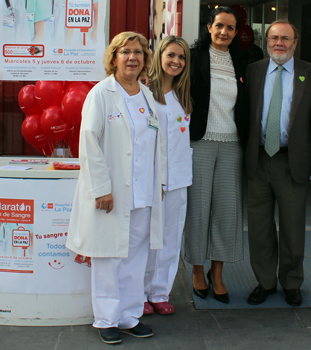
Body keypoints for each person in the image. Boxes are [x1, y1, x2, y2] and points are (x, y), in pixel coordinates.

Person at [65, 31, 165, 345]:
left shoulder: (147, 96)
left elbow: (156, 144)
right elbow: (89, 143)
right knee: (108, 258)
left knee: (136, 258)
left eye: (138, 52)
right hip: (112, 194)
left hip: (143, 193)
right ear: (114, 57)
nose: (132, 57)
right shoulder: (101, 94)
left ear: (145, 60)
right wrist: (101, 189)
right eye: (126, 52)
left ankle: (130, 316)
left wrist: (159, 182)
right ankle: (106, 319)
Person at [244, 20, 311, 307]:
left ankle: (292, 282)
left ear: (295, 42)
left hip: (293, 161)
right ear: (267, 40)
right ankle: (265, 282)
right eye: (274, 37)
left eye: (285, 38)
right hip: (259, 160)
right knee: (259, 227)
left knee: (293, 227)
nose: (279, 42)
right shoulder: (253, 71)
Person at [184, 6, 248, 305]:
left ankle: (217, 273)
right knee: (198, 209)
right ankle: (197, 269)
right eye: (219, 26)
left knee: (226, 211)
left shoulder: (243, 61)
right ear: (209, 27)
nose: (224, 32)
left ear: (236, 32)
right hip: (199, 142)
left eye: (230, 28)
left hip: (233, 144)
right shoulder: (194, 57)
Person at [143, 35, 193, 315]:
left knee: (171, 238)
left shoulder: (182, 96)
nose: (176, 61)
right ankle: (139, 292)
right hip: (152, 179)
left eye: (182, 57)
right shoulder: (144, 93)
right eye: (171, 55)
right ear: (159, 57)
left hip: (179, 179)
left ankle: (160, 292)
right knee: (147, 239)